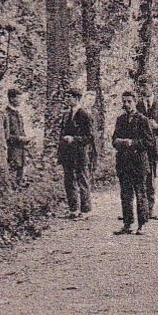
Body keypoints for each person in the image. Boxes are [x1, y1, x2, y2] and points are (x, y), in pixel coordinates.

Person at [112, 90, 155, 235]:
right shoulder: (120, 120)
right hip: (124, 162)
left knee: (140, 193)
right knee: (125, 194)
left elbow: (149, 142)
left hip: (139, 163)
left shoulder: (143, 120)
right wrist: (120, 142)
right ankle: (127, 224)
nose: (126, 104)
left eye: (129, 101)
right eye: (124, 101)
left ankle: (142, 224)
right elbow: (114, 139)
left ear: (135, 102)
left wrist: (133, 143)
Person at [57, 87, 96, 218]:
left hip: (80, 153)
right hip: (67, 153)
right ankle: (73, 209)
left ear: (77, 98)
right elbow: (61, 134)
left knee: (83, 180)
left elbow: (90, 137)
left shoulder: (84, 114)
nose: (67, 99)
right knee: (69, 180)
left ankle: (85, 210)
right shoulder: (66, 114)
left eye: (70, 97)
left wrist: (74, 139)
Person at [135, 83, 158, 216]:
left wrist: (157, 126)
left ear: (152, 88)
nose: (144, 90)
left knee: (151, 176)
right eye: (142, 88)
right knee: (141, 176)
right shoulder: (137, 104)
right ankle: (141, 208)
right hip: (141, 146)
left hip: (154, 146)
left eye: (146, 87)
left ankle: (150, 209)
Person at [4, 88, 30, 187]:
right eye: (18, 98)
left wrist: (26, 139)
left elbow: (21, 131)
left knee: (21, 175)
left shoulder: (18, 114)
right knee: (12, 175)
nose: (20, 100)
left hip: (21, 150)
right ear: (11, 99)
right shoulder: (6, 114)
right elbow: (5, 135)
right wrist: (19, 138)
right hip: (11, 150)